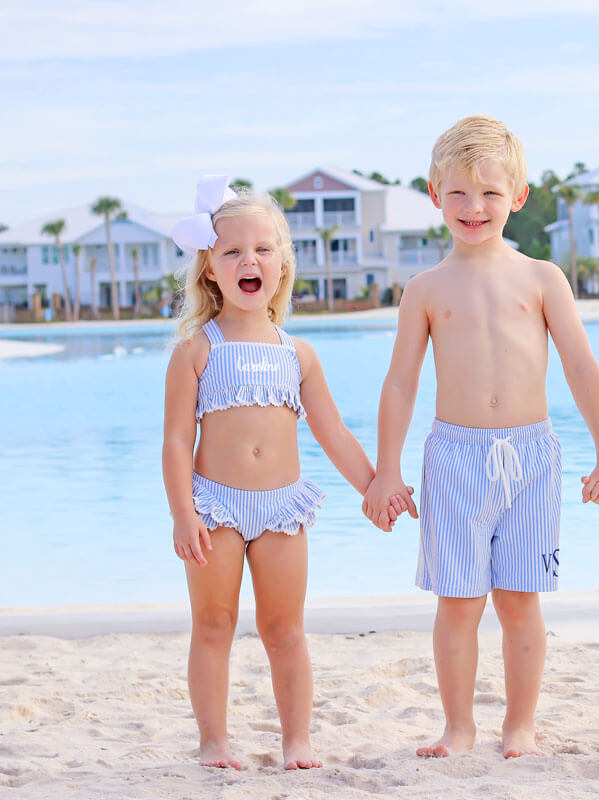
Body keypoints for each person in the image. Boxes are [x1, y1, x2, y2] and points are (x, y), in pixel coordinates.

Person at [362, 115, 599, 759]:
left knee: (518, 600)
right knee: (458, 603)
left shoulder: (542, 278)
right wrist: (386, 470)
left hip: (531, 454)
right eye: (458, 193)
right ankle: (457, 727)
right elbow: (400, 384)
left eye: (488, 192)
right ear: (434, 195)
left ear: (518, 195)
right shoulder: (424, 289)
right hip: (454, 456)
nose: (473, 207)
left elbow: (581, 365)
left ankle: (520, 726)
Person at [163, 177, 401, 770]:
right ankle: (214, 741)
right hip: (213, 506)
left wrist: (376, 486)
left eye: (263, 249)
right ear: (211, 269)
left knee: (284, 629)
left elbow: (333, 433)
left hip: (281, 509)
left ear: (281, 265)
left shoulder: (298, 354)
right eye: (233, 251)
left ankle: (299, 740)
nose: (250, 260)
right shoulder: (197, 349)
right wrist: (183, 512)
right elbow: (175, 439)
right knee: (213, 623)